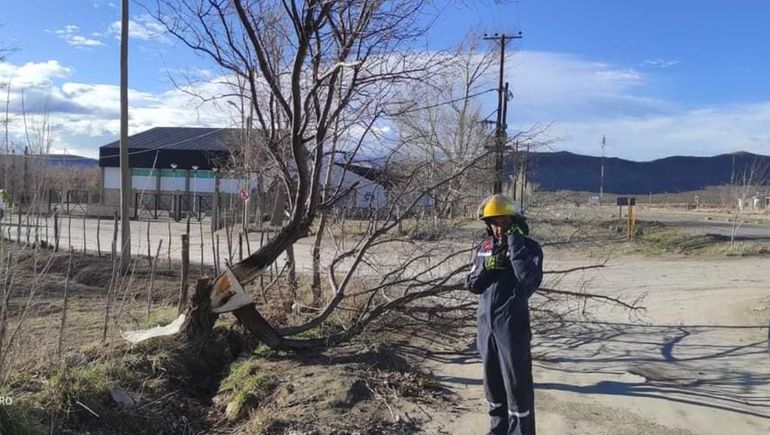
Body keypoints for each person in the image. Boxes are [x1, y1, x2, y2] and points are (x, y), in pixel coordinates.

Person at [466, 194, 543, 435]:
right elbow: (472, 285)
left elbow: (528, 280)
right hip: (485, 325)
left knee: (516, 383)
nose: (499, 228)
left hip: (512, 325)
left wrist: (515, 244)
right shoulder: (484, 248)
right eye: (494, 222)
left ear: (515, 221)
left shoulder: (530, 248)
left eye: (504, 222)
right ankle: (497, 429)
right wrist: (487, 270)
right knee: (492, 382)